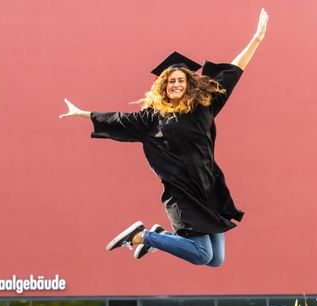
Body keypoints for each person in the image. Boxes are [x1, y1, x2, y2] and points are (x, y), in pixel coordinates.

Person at [59, 9, 269, 267]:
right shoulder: (152, 119)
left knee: (217, 260)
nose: (177, 85)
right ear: (164, 86)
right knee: (202, 255)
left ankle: (157, 236)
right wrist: (82, 113)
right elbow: (118, 120)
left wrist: (256, 39)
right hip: (182, 194)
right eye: (172, 82)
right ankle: (142, 236)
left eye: (181, 80)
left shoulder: (204, 105)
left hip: (209, 188)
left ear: (189, 83)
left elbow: (233, 72)